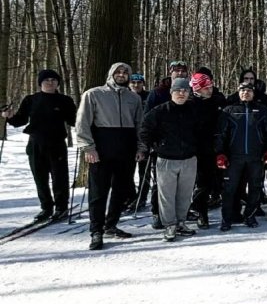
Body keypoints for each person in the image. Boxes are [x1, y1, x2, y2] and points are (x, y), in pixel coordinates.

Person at [76, 62, 145, 251]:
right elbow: (82, 123)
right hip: (102, 147)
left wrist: (140, 147)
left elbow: (139, 124)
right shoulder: (94, 94)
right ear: (111, 74)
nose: (122, 75)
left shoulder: (134, 98)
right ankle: (96, 230)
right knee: (99, 191)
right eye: (118, 72)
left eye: (125, 72)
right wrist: (88, 148)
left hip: (126, 148)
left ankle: (111, 224)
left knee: (121, 190)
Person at [2, 69, 77, 221]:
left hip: (57, 144)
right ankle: (46, 208)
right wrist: (8, 117)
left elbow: (73, 121)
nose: (50, 82)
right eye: (46, 80)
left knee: (59, 178)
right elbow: (20, 120)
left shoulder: (65, 100)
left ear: (58, 83)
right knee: (40, 178)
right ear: (40, 83)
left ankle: (61, 208)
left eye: (53, 80)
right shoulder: (31, 100)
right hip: (35, 144)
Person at [139, 78, 204, 241]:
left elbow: (202, 131)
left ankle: (181, 222)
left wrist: (196, 147)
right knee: (167, 195)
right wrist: (155, 145)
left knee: (185, 194)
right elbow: (145, 130)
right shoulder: (160, 111)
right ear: (171, 92)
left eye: (184, 91)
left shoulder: (194, 110)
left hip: (189, 159)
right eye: (178, 90)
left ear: (188, 93)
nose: (181, 93)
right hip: (166, 159)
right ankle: (170, 225)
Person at [215, 81, 267, 231]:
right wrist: (220, 153)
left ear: (253, 93)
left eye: (249, 90)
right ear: (238, 92)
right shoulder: (228, 111)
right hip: (234, 157)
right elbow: (220, 134)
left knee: (256, 187)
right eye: (242, 90)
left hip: (256, 157)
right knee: (230, 189)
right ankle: (226, 219)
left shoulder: (262, 111)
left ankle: (250, 215)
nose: (245, 93)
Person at [189, 71, 226, 228]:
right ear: (197, 89)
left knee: (211, 182)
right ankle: (197, 211)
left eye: (210, 86)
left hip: (215, 148)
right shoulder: (190, 104)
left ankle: (207, 211)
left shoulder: (217, 101)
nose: (209, 89)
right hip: (195, 150)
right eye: (205, 87)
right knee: (197, 183)